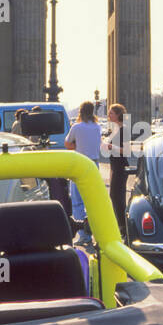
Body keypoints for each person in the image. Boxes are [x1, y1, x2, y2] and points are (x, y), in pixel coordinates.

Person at [65, 101, 103, 245]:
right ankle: (98, 235)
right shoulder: (97, 127)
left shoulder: (77, 127)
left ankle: (83, 235)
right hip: (94, 165)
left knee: (78, 202)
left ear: (80, 111)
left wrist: (76, 145)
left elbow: (68, 144)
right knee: (92, 201)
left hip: (80, 163)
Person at [102, 103, 130, 240]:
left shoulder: (123, 129)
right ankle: (121, 226)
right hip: (114, 165)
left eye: (111, 113)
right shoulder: (115, 129)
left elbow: (125, 150)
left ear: (118, 115)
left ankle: (123, 227)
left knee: (117, 196)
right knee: (115, 196)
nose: (109, 115)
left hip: (120, 166)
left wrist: (111, 146)